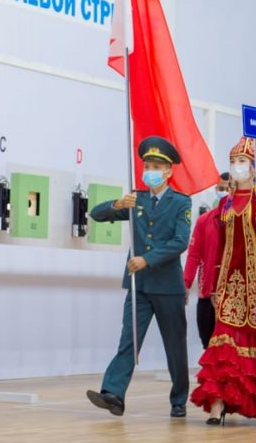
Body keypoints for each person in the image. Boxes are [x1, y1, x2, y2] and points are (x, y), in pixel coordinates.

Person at [189, 138, 256, 425]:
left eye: (242, 161)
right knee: (223, 341)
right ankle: (217, 405)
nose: (237, 167)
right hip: (229, 281)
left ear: (253, 168)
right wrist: (214, 284)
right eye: (233, 162)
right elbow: (220, 245)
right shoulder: (225, 203)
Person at [86, 136, 192, 418]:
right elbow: (95, 214)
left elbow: (180, 241)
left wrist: (147, 258)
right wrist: (117, 203)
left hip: (168, 287)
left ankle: (179, 399)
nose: (150, 171)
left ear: (168, 171)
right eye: (147, 166)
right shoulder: (137, 199)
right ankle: (113, 394)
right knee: (128, 341)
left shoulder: (181, 202)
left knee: (175, 346)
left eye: (156, 166)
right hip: (139, 286)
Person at [184, 173, 230, 348]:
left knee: (230, 348)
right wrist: (186, 284)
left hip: (233, 295)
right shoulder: (204, 221)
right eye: (220, 188)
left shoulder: (243, 220)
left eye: (228, 188)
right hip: (207, 292)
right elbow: (194, 255)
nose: (224, 192)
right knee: (208, 342)